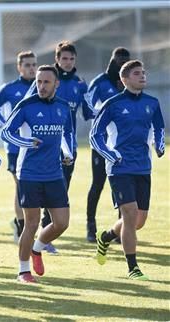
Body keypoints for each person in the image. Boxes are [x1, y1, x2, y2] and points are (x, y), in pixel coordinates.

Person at [90, 60, 165, 280]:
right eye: (136, 73)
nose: (142, 76)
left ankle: (105, 237)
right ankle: (133, 268)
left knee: (138, 221)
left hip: (143, 166)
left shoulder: (152, 102)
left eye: (143, 73)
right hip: (119, 168)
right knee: (130, 215)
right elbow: (95, 135)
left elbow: (159, 127)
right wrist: (111, 155)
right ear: (124, 79)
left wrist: (159, 145)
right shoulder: (112, 103)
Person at [2, 65, 74, 283]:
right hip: (29, 174)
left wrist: (68, 153)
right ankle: (23, 271)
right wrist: (26, 142)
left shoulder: (63, 107)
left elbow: (67, 133)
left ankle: (37, 248)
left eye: (46, 82)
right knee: (31, 224)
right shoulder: (26, 105)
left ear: (56, 84)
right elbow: (6, 132)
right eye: (38, 82)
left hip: (54, 173)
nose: (41, 86)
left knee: (62, 223)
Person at [26, 40, 91, 254]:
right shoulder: (45, 81)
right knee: (44, 189)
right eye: (64, 58)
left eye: (72, 58)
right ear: (57, 59)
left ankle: (45, 235)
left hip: (66, 146)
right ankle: (42, 237)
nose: (68, 62)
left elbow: (88, 113)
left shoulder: (79, 84)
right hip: (42, 147)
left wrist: (88, 93)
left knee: (61, 190)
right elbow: (26, 107)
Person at [0, 51, 37, 243]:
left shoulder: (42, 87)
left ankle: (32, 226)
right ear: (19, 67)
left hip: (37, 147)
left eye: (34, 64)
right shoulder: (9, 89)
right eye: (27, 65)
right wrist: (5, 124)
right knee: (21, 186)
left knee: (35, 187)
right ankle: (21, 225)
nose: (31, 68)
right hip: (16, 148)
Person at [84, 47, 131, 242]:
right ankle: (90, 227)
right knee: (98, 183)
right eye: (118, 61)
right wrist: (105, 112)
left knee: (122, 184)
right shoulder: (100, 83)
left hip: (122, 143)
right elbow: (87, 109)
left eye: (124, 62)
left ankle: (121, 228)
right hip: (101, 141)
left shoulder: (129, 83)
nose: (121, 65)